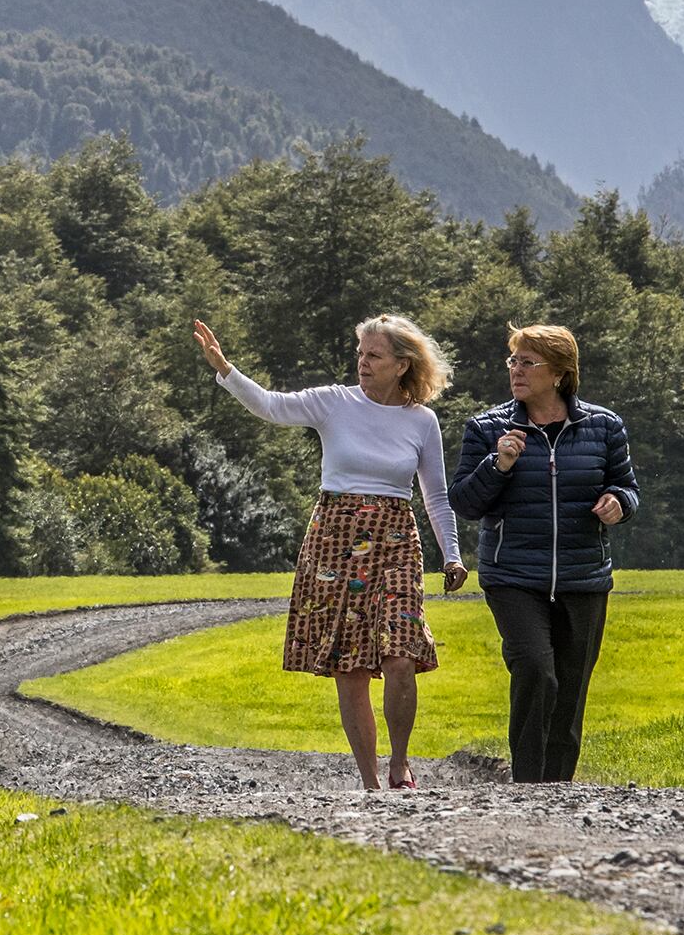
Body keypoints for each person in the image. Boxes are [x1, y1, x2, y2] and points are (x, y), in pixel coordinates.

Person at [193, 314, 466, 790]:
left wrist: (453, 554)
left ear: (402, 365)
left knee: (400, 653)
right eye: (360, 354)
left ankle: (400, 765)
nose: (362, 362)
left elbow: (436, 496)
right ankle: (369, 781)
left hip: (395, 540)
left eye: (373, 355)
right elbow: (271, 406)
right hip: (335, 541)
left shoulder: (422, 421)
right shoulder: (334, 403)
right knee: (351, 664)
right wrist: (225, 369)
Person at [448, 324, 639, 784]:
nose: (516, 370)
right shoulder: (488, 428)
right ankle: (528, 784)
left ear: (559, 372)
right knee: (535, 669)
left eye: (527, 362)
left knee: (571, 688)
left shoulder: (604, 426)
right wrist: (499, 465)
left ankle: (559, 789)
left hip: (583, 577)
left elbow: (628, 488)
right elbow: (465, 503)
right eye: (513, 361)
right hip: (512, 575)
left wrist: (618, 503)